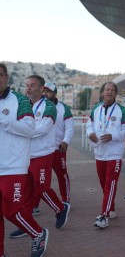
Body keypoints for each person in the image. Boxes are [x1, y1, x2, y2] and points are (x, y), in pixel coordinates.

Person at [10, 75, 70, 238]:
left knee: (41, 187)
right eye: (27, 85)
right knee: (26, 191)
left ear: (42, 89)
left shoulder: (49, 106)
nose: (28, 88)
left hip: (43, 154)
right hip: (26, 155)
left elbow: (44, 128)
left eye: (33, 85)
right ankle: (27, 224)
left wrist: (21, 131)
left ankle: (60, 208)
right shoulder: (22, 105)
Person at [0, 63, 49, 257]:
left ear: (6, 77)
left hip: (13, 167)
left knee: (12, 212)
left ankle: (38, 234)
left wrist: (4, 120)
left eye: (0, 75)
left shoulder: (20, 100)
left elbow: (30, 129)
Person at [87, 82, 125, 228]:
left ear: (115, 93)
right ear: (102, 93)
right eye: (107, 90)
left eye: (112, 90)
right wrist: (90, 133)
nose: (109, 92)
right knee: (103, 184)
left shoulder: (122, 111)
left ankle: (104, 216)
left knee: (110, 184)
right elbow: (89, 125)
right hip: (99, 152)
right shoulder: (96, 109)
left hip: (114, 153)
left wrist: (113, 136)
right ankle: (111, 209)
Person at [42, 82, 74, 203]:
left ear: (55, 94)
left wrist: (65, 141)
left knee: (62, 175)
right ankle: (35, 204)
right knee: (41, 178)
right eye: (44, 91)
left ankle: (66, 199)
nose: (45, 94)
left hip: (58, 149)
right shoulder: (37, 106)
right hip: (42, 150)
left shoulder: (64, 108)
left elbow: (69, 127)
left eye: (48, 92)